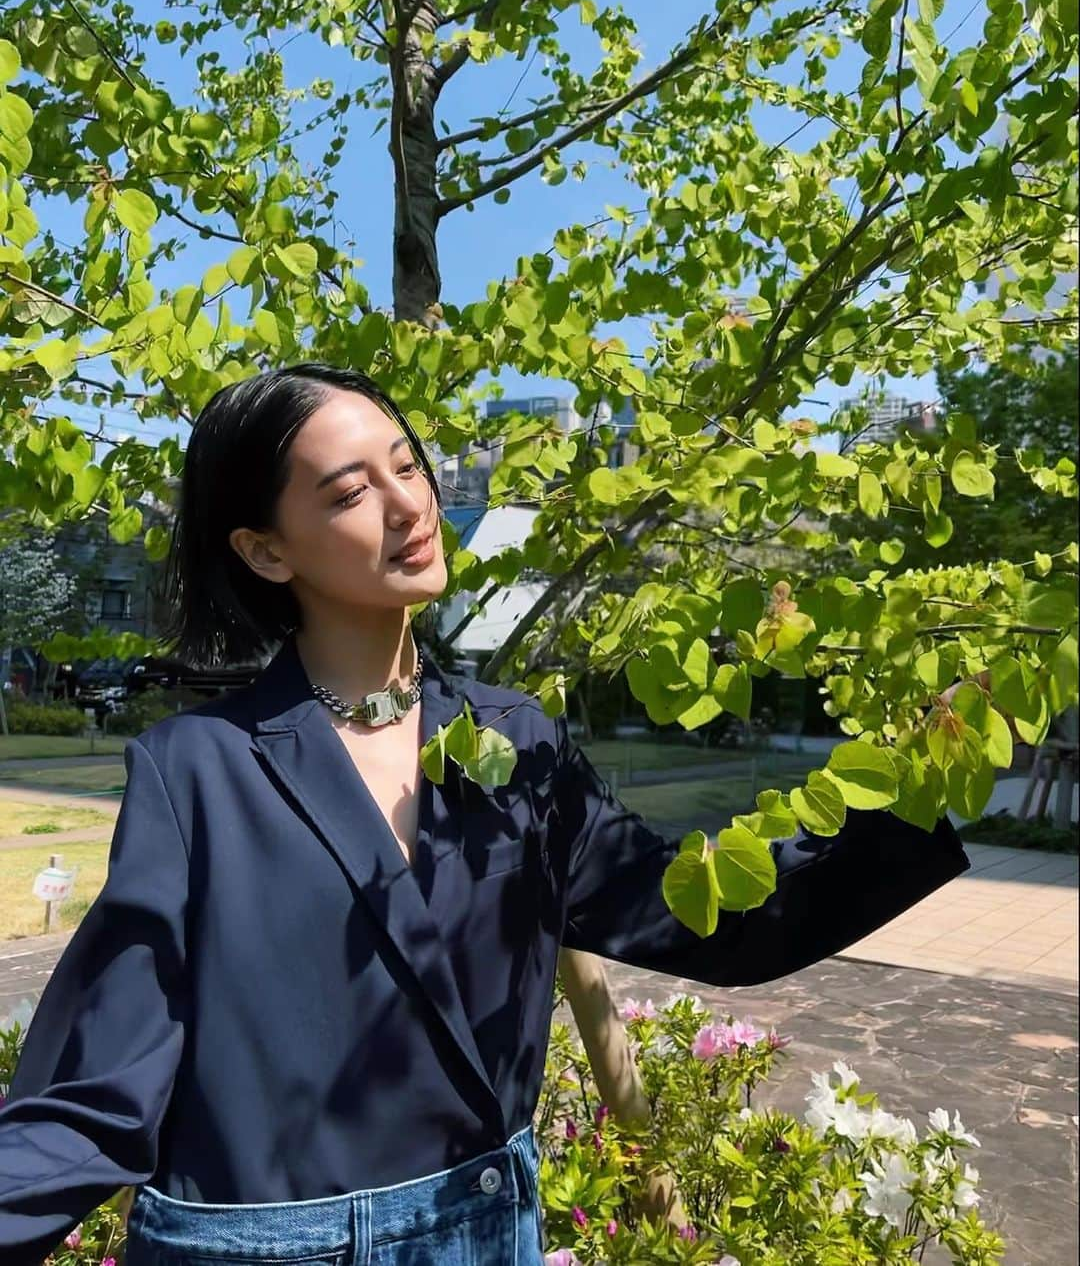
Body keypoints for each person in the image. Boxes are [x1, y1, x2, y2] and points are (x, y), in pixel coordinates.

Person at [0, 363, 971, 1265]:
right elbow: (94, 1091)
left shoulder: (516, 743)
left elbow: (708, 919)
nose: (407, 503)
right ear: (263, 547)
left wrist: (927, 778)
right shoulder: (195, 769)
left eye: (407, 464)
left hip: (482, 1227)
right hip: (263, 1241)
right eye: (347, 492)